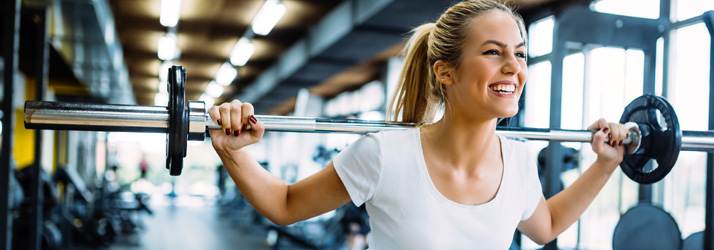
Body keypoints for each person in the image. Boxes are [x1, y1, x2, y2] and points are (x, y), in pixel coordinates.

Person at [208, 0, 629, 248]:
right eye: (492, 52)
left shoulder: (518, 161)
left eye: (520, 54)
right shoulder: (385, 154)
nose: (513, 68)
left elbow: (546, 227)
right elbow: (285, 205)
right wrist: (232, 151)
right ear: (445, 72)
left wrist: (605, 164)